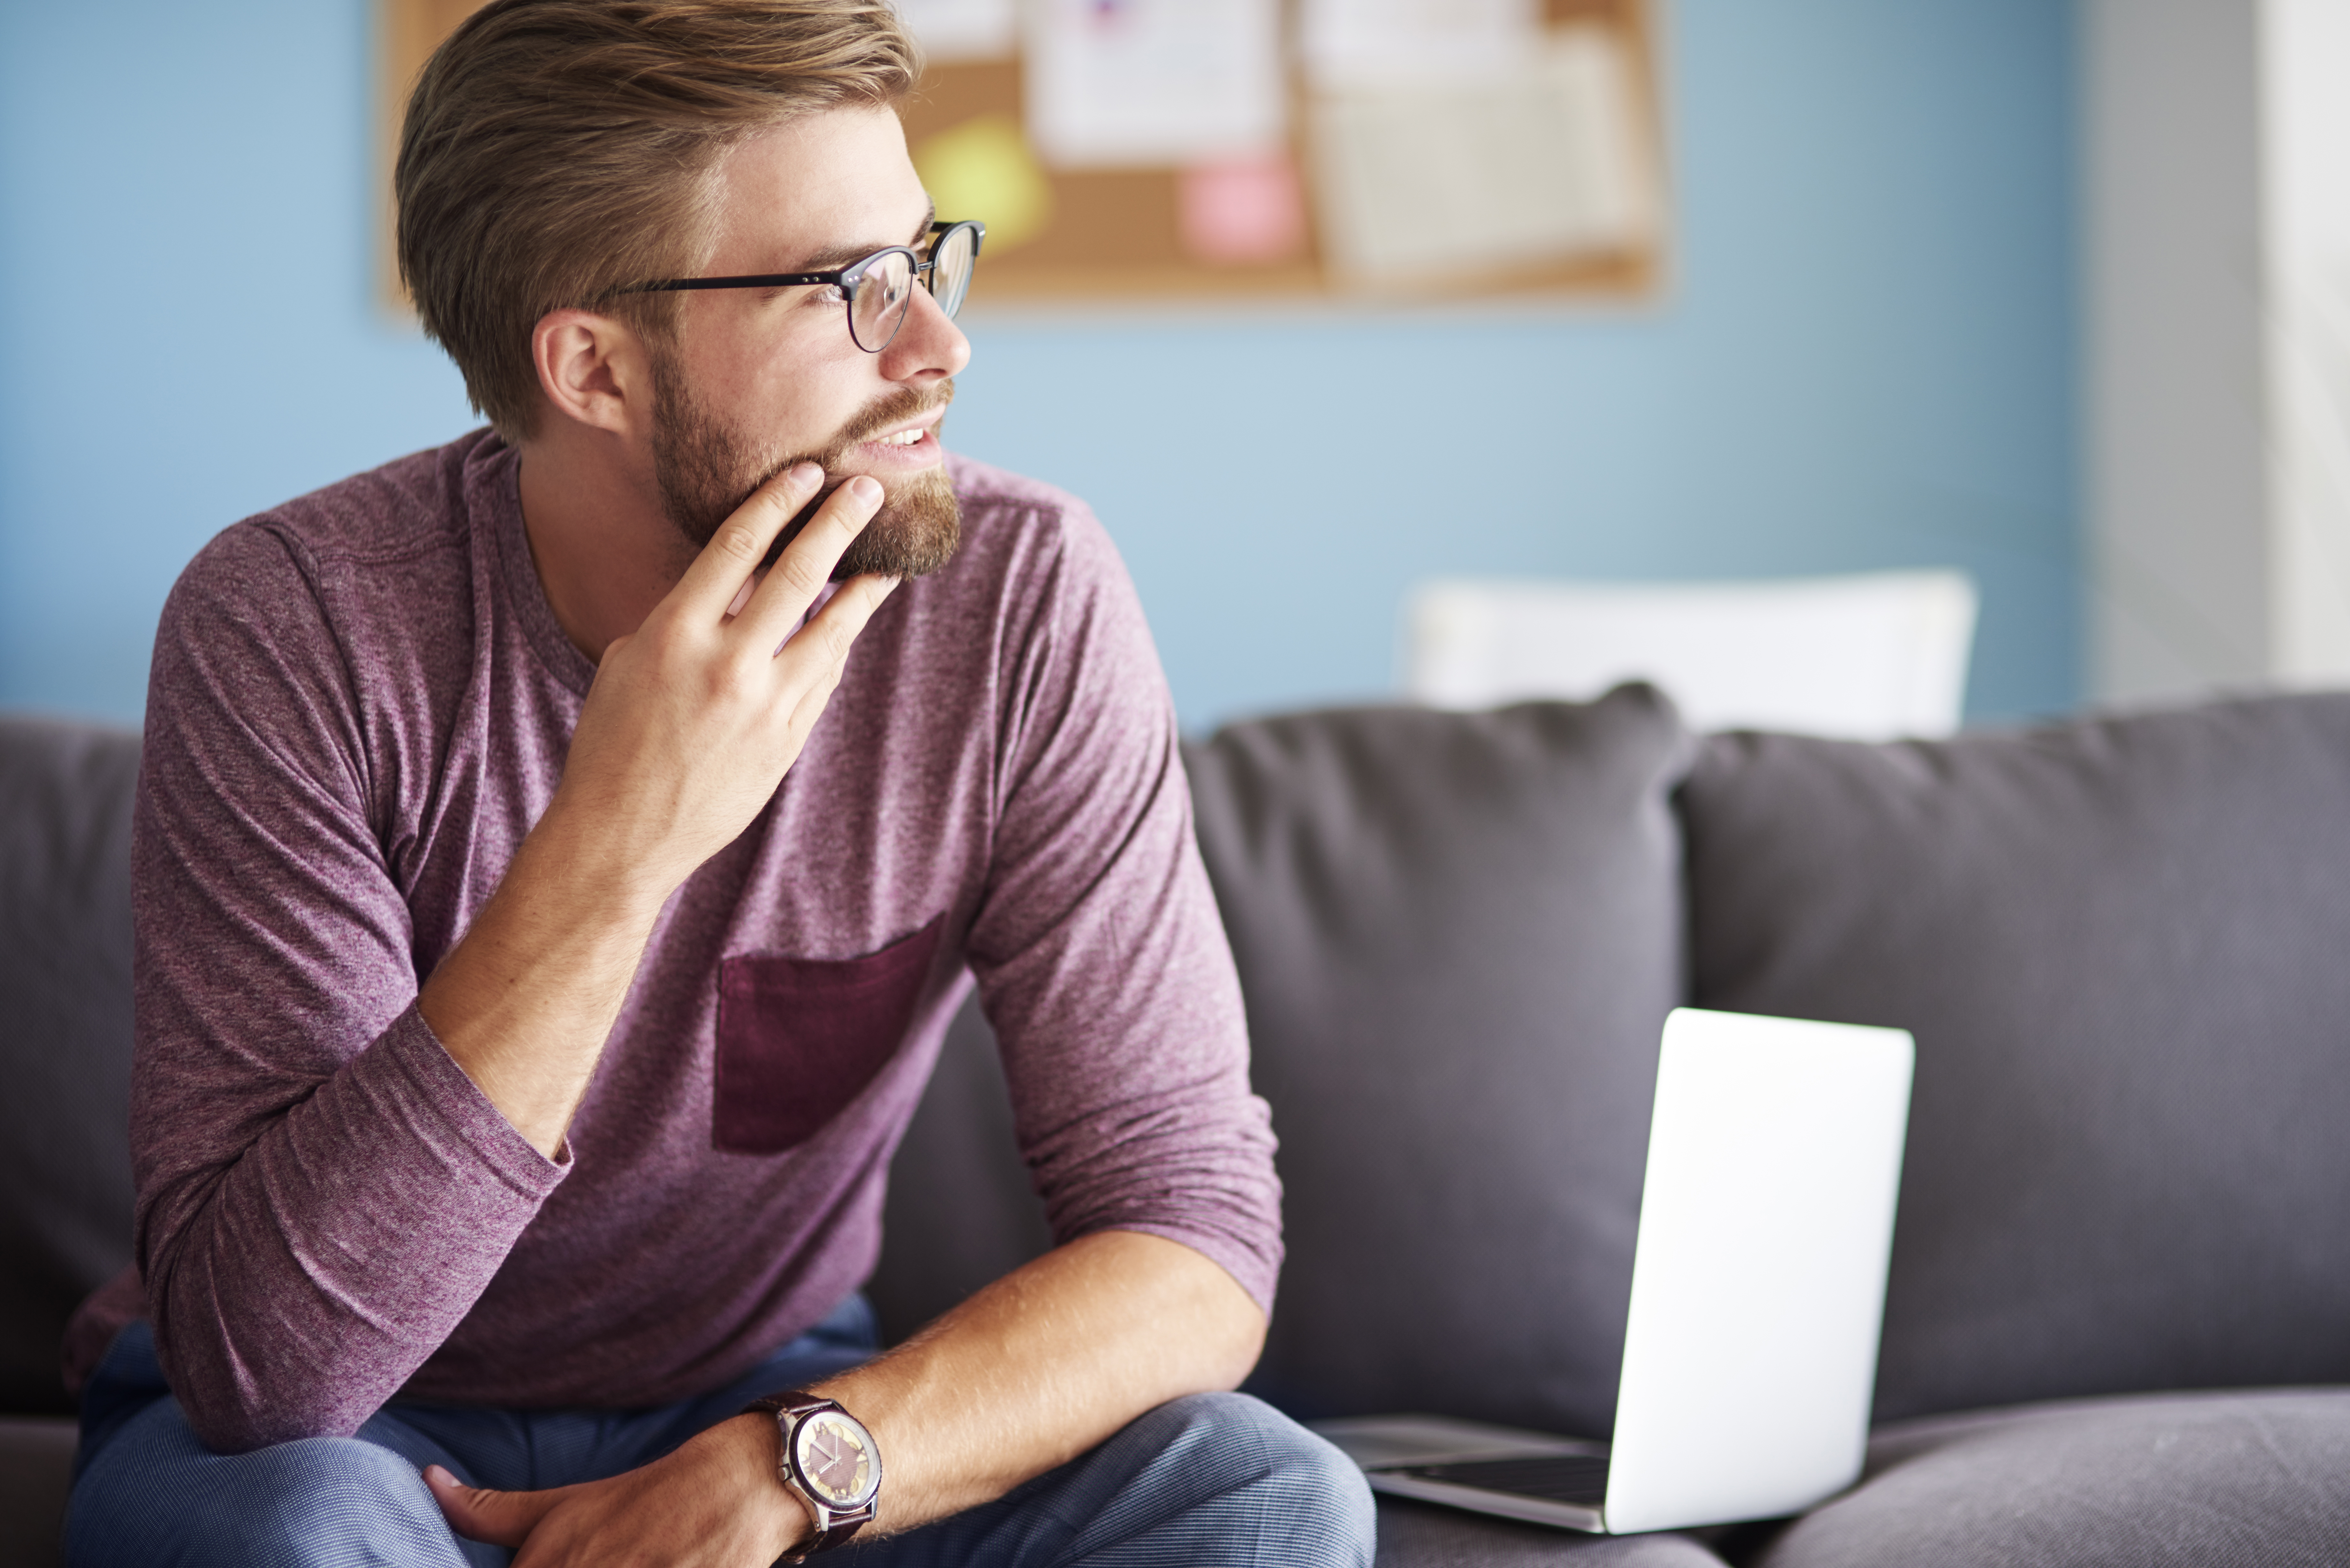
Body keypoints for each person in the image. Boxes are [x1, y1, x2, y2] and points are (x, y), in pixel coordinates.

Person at [57, 2, 1374, 1563]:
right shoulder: (297, 625)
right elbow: (275, 1370)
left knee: (1268, 1493)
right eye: (857, 291)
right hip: (357, 1444)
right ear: (595, 366)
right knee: (276, 1533)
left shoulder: (1021, 601)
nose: (942, 344)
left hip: (768, 1406)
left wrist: (793, 1468)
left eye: (928, 258)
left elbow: (1196, 1241)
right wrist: (617, 846)